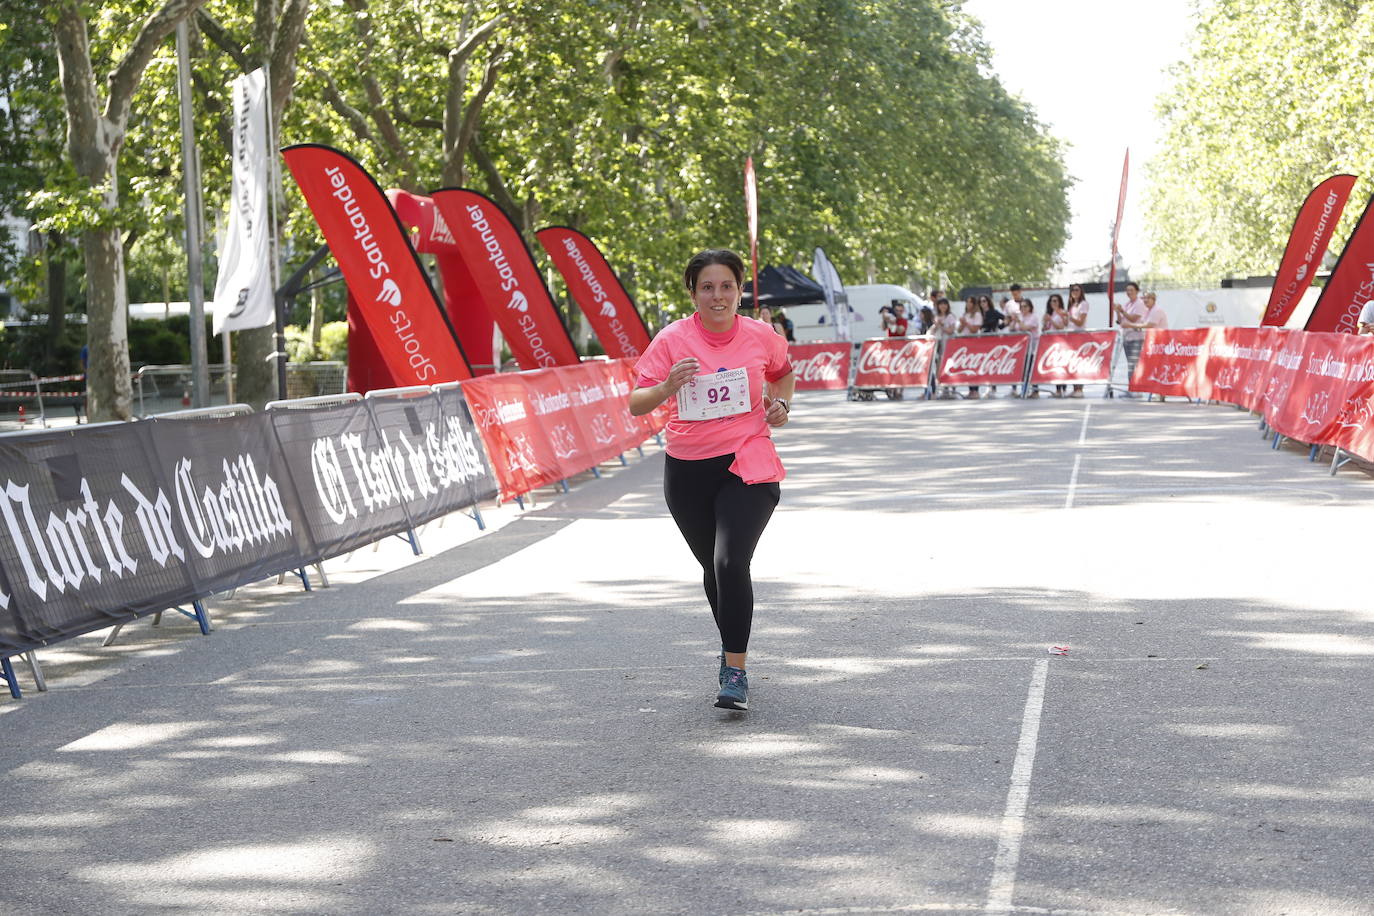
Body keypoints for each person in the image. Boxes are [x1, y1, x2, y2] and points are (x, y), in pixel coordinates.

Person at [629, 248, 795, 712]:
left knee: (728, 562)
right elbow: (636, 403)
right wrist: (666, 388)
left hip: (748, 461)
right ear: (693, 293)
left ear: (740, 292)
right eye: (707, 287)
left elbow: (783, 375)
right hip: (687, 471)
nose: (717, 296)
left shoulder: (761, 336)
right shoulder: (672, 339)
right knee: (712, 569)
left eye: (727, 286)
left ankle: (734, 671)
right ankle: (732, 653)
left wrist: (782, 408)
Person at [1113, 282, 1148, 395]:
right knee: (1130, 364)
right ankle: (1132, 388)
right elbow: (1121, 321)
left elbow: (1133, 319)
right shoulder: (1127, 304)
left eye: (1131, 290)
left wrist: (1122, 311)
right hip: (1127, 337)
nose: (1129, 292)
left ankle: (1136, 389)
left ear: (1137, 291)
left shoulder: (1139, 304)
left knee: (1134, 364)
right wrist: (1118, 311)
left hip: (1136, 337)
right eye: (1127, 290)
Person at [1066, 284, 1091, 397]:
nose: (1074, 292)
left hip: (1079, 336)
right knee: (1072, 363)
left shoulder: (1083, 304)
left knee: (1079, 362)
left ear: (1081, 292)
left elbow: (1080, 322)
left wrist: (1068, 317)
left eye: (1077, 290)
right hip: (1071, 336)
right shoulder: (1072, 305)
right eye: (1072, 290)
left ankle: (1080, 389)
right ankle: (1075, 388)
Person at [1042, 293, 1069, 397]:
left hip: (1061, 342)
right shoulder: (1049, 313)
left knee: (1061, 366)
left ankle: (1062, 388)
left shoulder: (1063, 312)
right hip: (1051, 342)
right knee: (1054, 367)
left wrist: (1051, 320)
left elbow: (1062, 326)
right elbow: (1045, 328)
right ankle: (1057, 389)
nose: (1053, 303)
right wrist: (1045, 323)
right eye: (1052, 301)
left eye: (1055, 301)